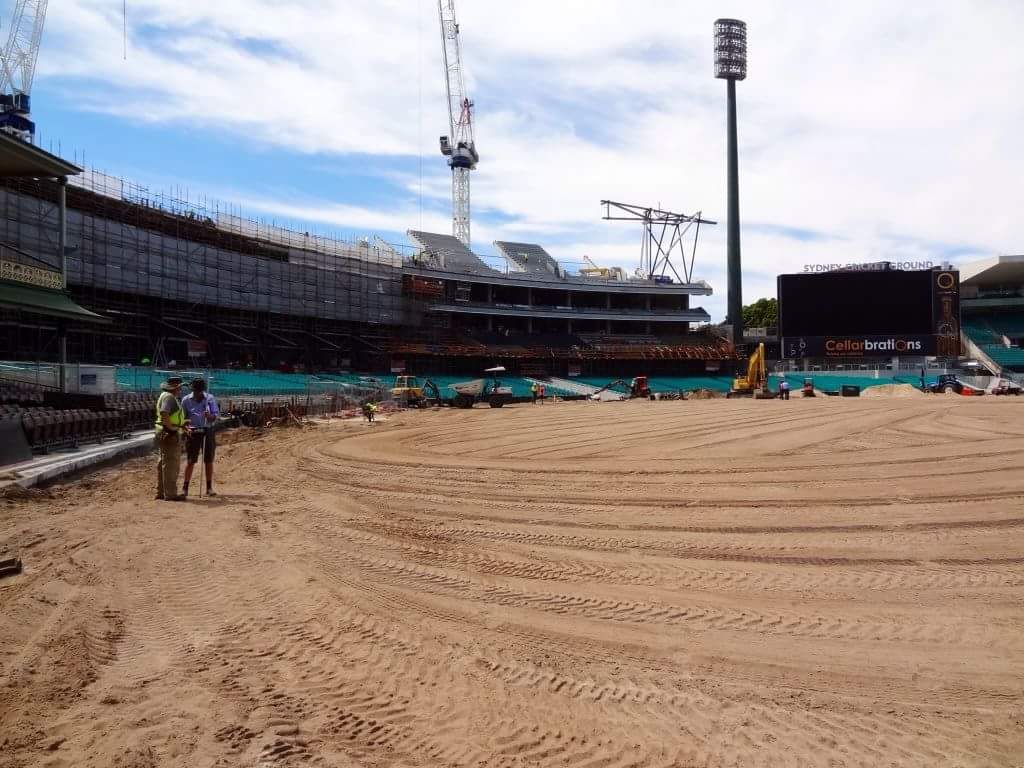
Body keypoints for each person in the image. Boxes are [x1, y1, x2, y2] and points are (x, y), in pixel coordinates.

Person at [181, 378, 219, 497]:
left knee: (208, 459)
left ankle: (209, 488)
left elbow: (215, 416)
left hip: (208, 430)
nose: (198, 393)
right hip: (193, 431)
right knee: (191, 460)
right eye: (196, 390)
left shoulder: (210, 399)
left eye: (200, 391)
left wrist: (210, 416)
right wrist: (186, 428)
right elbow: (183, 418)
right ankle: (185, 488)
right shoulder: (186, 400)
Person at [154, 376, 187, 501]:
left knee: (163, 463)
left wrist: (181, 423)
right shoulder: (169, 397)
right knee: (171, 465)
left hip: (163, 432)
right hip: (169, 434)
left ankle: (161, 492)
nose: (180, 389)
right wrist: (171, 428)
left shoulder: (164, 395)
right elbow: (164, 412)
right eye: (179, 387)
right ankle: (171, 493)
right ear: (176, 387)